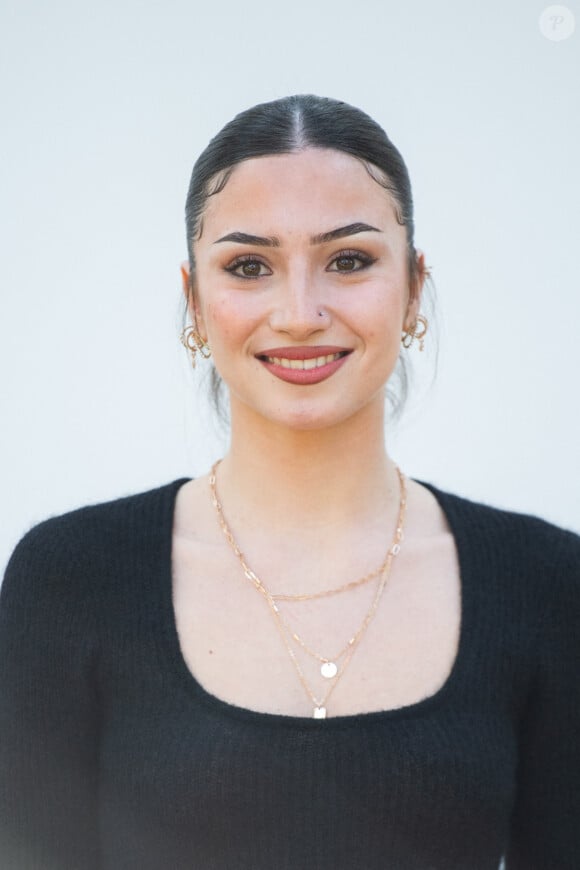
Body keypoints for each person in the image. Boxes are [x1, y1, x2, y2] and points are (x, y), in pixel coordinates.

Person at [1, 94, 578, 870]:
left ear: (413, 288)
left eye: (349, 260)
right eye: (249, 266)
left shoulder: (547, 585)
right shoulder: (67, 579)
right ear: (194, 303)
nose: (300, 313)